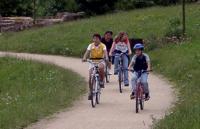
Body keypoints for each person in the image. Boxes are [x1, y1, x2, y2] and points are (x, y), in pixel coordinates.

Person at [82, 33, 108, 100]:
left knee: (101, 68)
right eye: (94, 38)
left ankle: (102, 81)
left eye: (97, 38)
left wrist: (106, 58)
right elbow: (87, 53)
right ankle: (91, 92)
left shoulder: (103, 46)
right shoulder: (90, 45)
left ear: (99, 39)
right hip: (92, 61)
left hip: (100, 60)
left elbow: (105, 53)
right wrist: (84, 58)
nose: (95, 40)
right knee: (90, 77)